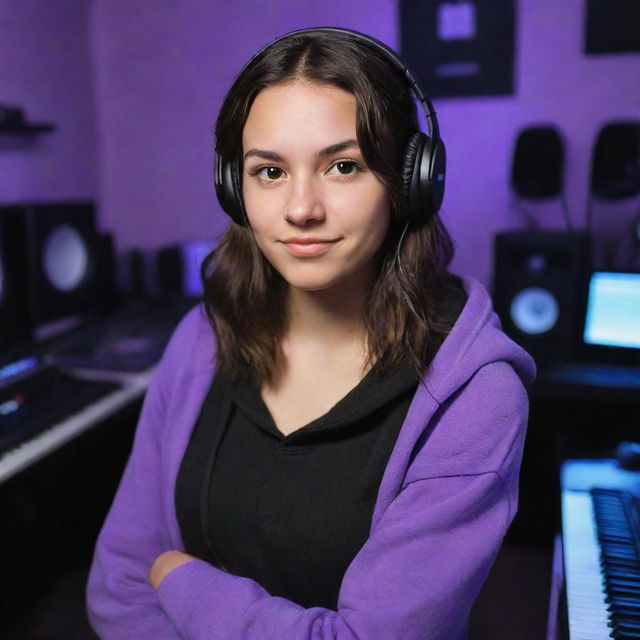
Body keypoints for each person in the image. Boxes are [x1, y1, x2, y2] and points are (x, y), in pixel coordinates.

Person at [86, 27, 535, 639]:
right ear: (233, 187)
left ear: (410, 182)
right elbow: (118, 584)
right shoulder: (199, 340)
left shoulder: (477, 400)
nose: (301, 208)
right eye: (268, 172)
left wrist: (179, 578)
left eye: (343, 166)